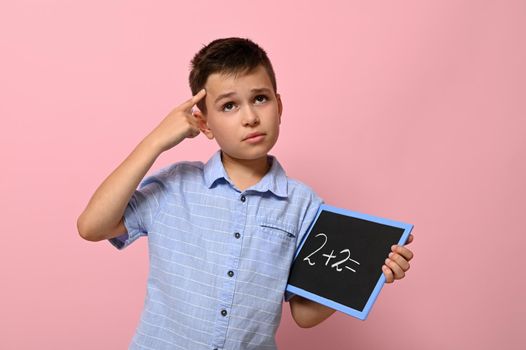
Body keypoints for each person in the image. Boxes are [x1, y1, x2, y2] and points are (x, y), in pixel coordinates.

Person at [77, 37, 414, 350]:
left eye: (260, 99)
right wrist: (156, 141)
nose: (251, 117)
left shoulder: (303, 205)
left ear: (279, 106)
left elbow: (304, 313)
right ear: (204, 123)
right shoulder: (174, 186)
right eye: (228, 106)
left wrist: (367, 274)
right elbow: (92, 226)